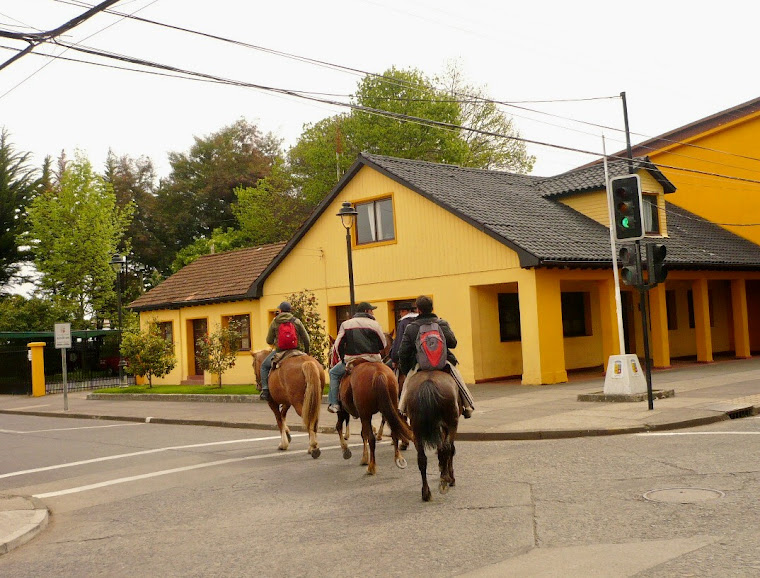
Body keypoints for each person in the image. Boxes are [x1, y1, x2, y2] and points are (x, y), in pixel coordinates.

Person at [397, 295, 475, 418]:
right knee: (458, 378)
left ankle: (402, 409)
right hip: (443, 362)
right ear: (432, 308)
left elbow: (403, 352)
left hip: (419, 365)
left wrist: (407, 370)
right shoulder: (442, 323)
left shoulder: (411, 327)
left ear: (418, 310)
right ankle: (467, 405)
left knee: (407, 386)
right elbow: (453, 343)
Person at [327, 301, 387, 413]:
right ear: (366, 311)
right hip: (373, 359)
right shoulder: (375, 324)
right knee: (389, 374)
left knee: (333, 373)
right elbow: (383, 344)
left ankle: (334, 403)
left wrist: (343, 359)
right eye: (371, 310)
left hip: (353, 359)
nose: (373, 313)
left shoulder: (346, 324)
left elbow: (337, 344)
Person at [259, 301, 310, 401]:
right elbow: (306, 339)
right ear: (290, 310)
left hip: (280, 352)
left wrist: (275, 339)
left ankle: (265, 390)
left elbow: (268, 340)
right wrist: (307, 351)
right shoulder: (296, 321)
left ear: (280, 310)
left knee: (264, 367)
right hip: (295, 350)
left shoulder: (275, 321)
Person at [390, 302, 418, 368]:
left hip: (408, 357)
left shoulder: (403, 323)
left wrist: (394, 358)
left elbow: (399, 341)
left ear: (407, 311)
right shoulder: (419, 320)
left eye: (401, 311)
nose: (400, 314)